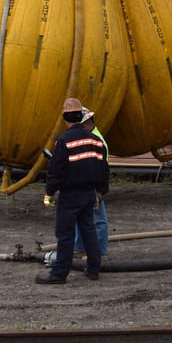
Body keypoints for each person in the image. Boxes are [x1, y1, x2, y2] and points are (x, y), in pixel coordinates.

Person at [35, 98, 108, 284]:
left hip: (70, 195)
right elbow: (103, 170)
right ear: (81, 116)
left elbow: (57, 170)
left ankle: (59, 273)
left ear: (65, 117)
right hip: (89, 194)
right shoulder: (96, 141)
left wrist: (49, 193)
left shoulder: (64, 140)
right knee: (88, 230)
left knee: (65, 234)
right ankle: (94, 269)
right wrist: (99, 192)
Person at [74, 107, 108, 257]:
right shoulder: (86, 138)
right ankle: (80, 249)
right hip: (83, 185)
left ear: (87, 124)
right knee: (80, 218)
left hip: (94, 186)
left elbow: (102, 170)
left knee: (98, 220)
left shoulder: (96, 142)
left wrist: (98, 191)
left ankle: (100, 252)